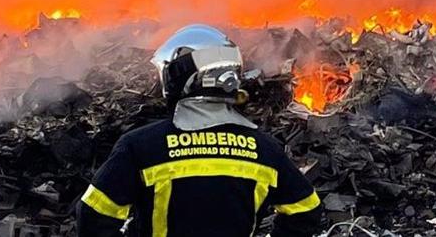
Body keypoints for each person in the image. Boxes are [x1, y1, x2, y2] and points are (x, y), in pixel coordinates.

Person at [77, 24, 323, 237]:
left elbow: (94, 215)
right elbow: (307, 210)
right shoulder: (265, 150)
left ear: (177, 76)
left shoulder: (141, 146)